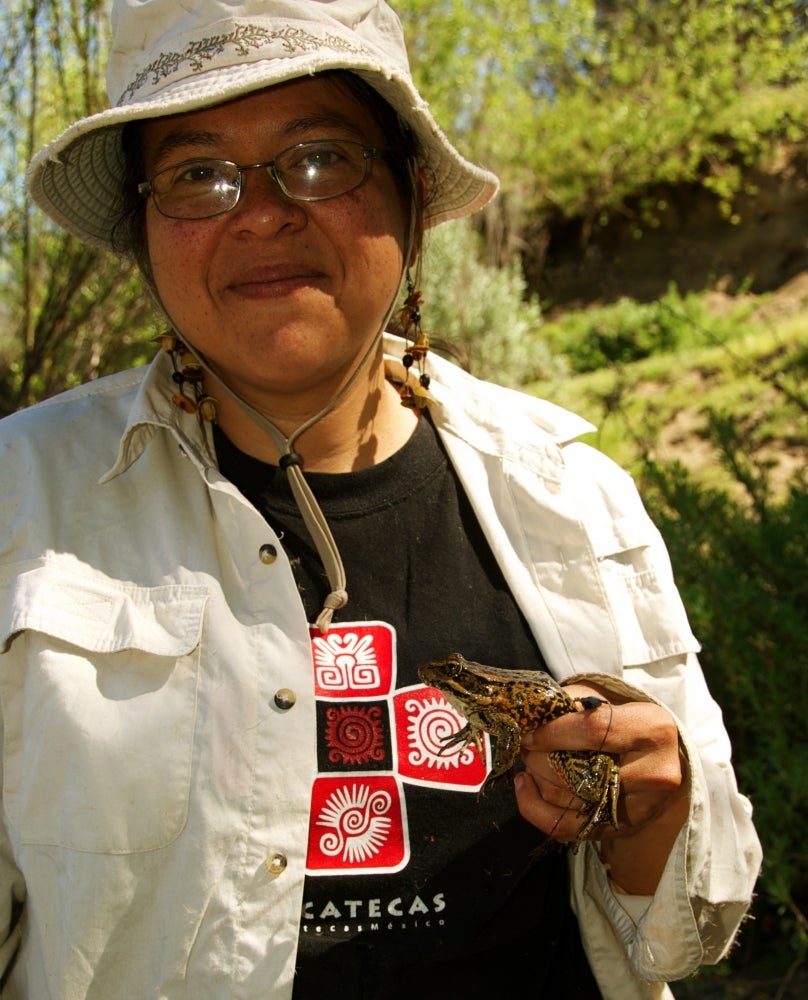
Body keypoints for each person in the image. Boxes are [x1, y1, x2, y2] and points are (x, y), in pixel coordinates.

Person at [1, 1, 761, 997]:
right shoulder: (23, 501)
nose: (261, 211)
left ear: (410, 196)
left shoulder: (574, 490)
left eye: (318, 157)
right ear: (145, 228)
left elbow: (687, 928)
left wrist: (655, 815)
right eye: (197, 173)